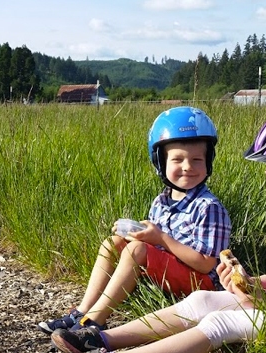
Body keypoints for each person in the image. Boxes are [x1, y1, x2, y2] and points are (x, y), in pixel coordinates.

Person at [49, 105, 266, 353]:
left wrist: (261, 296)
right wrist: (247, 282)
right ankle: (99, 338)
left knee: (219, 322)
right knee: (202, 300)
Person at [38, 106, 232, 334]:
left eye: (197, 159)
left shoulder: (209, 207)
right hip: (171, 271)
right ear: (161, 162)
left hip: (201, 283)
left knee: (137, 250)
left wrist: (159, 237)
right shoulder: (162, 201)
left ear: (208, 161)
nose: (188, 166)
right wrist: (136, 233)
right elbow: (154, 245)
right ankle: (83, 310)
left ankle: (95, 321)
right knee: (114, 243)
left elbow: (206, 263)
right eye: (177, 159)